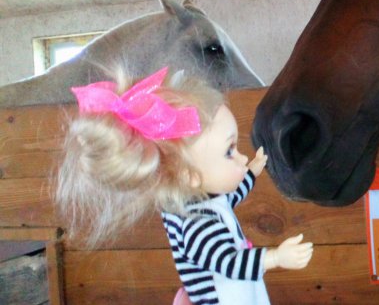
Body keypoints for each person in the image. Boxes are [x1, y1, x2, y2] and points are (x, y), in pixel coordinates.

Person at [55, 67, 313, 304]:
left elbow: (230, 197)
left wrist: (253, 170)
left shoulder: (202, 200)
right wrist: (275, 257)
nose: (241, 158)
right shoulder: (195, 223)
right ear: (189, 175)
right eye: (229, 151)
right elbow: (227, 261)